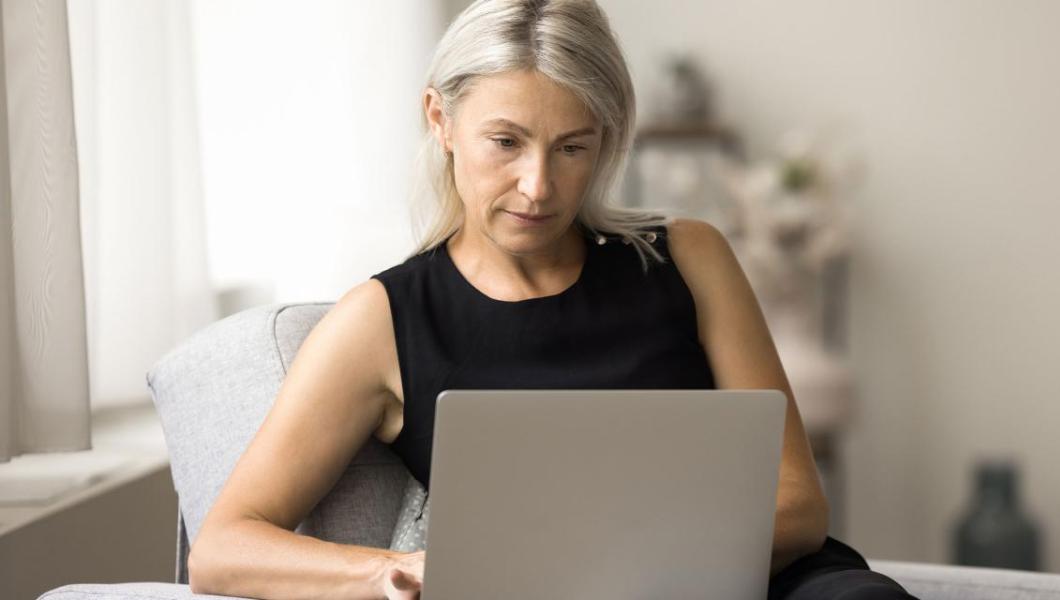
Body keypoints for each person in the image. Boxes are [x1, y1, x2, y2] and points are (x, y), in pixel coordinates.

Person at [186, 1, 920, 598]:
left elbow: (799, 503)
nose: (539, 187)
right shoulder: (382, 322)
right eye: (505, 142)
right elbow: (222, 546)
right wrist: (390, 568)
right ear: (440, 121)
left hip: (770, 587)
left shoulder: (690, 257)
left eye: (572, 148)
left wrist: (628, 571)